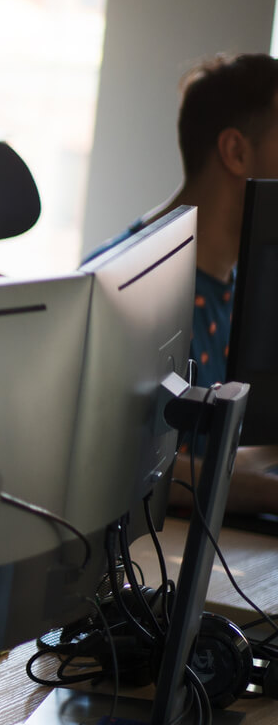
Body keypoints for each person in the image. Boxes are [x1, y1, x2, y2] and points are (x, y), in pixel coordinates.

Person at [84, 52, 278, 512]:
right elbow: (124, 465)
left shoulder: (239, 287)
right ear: (235, 151)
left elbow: (228, 447)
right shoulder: (124, 288)